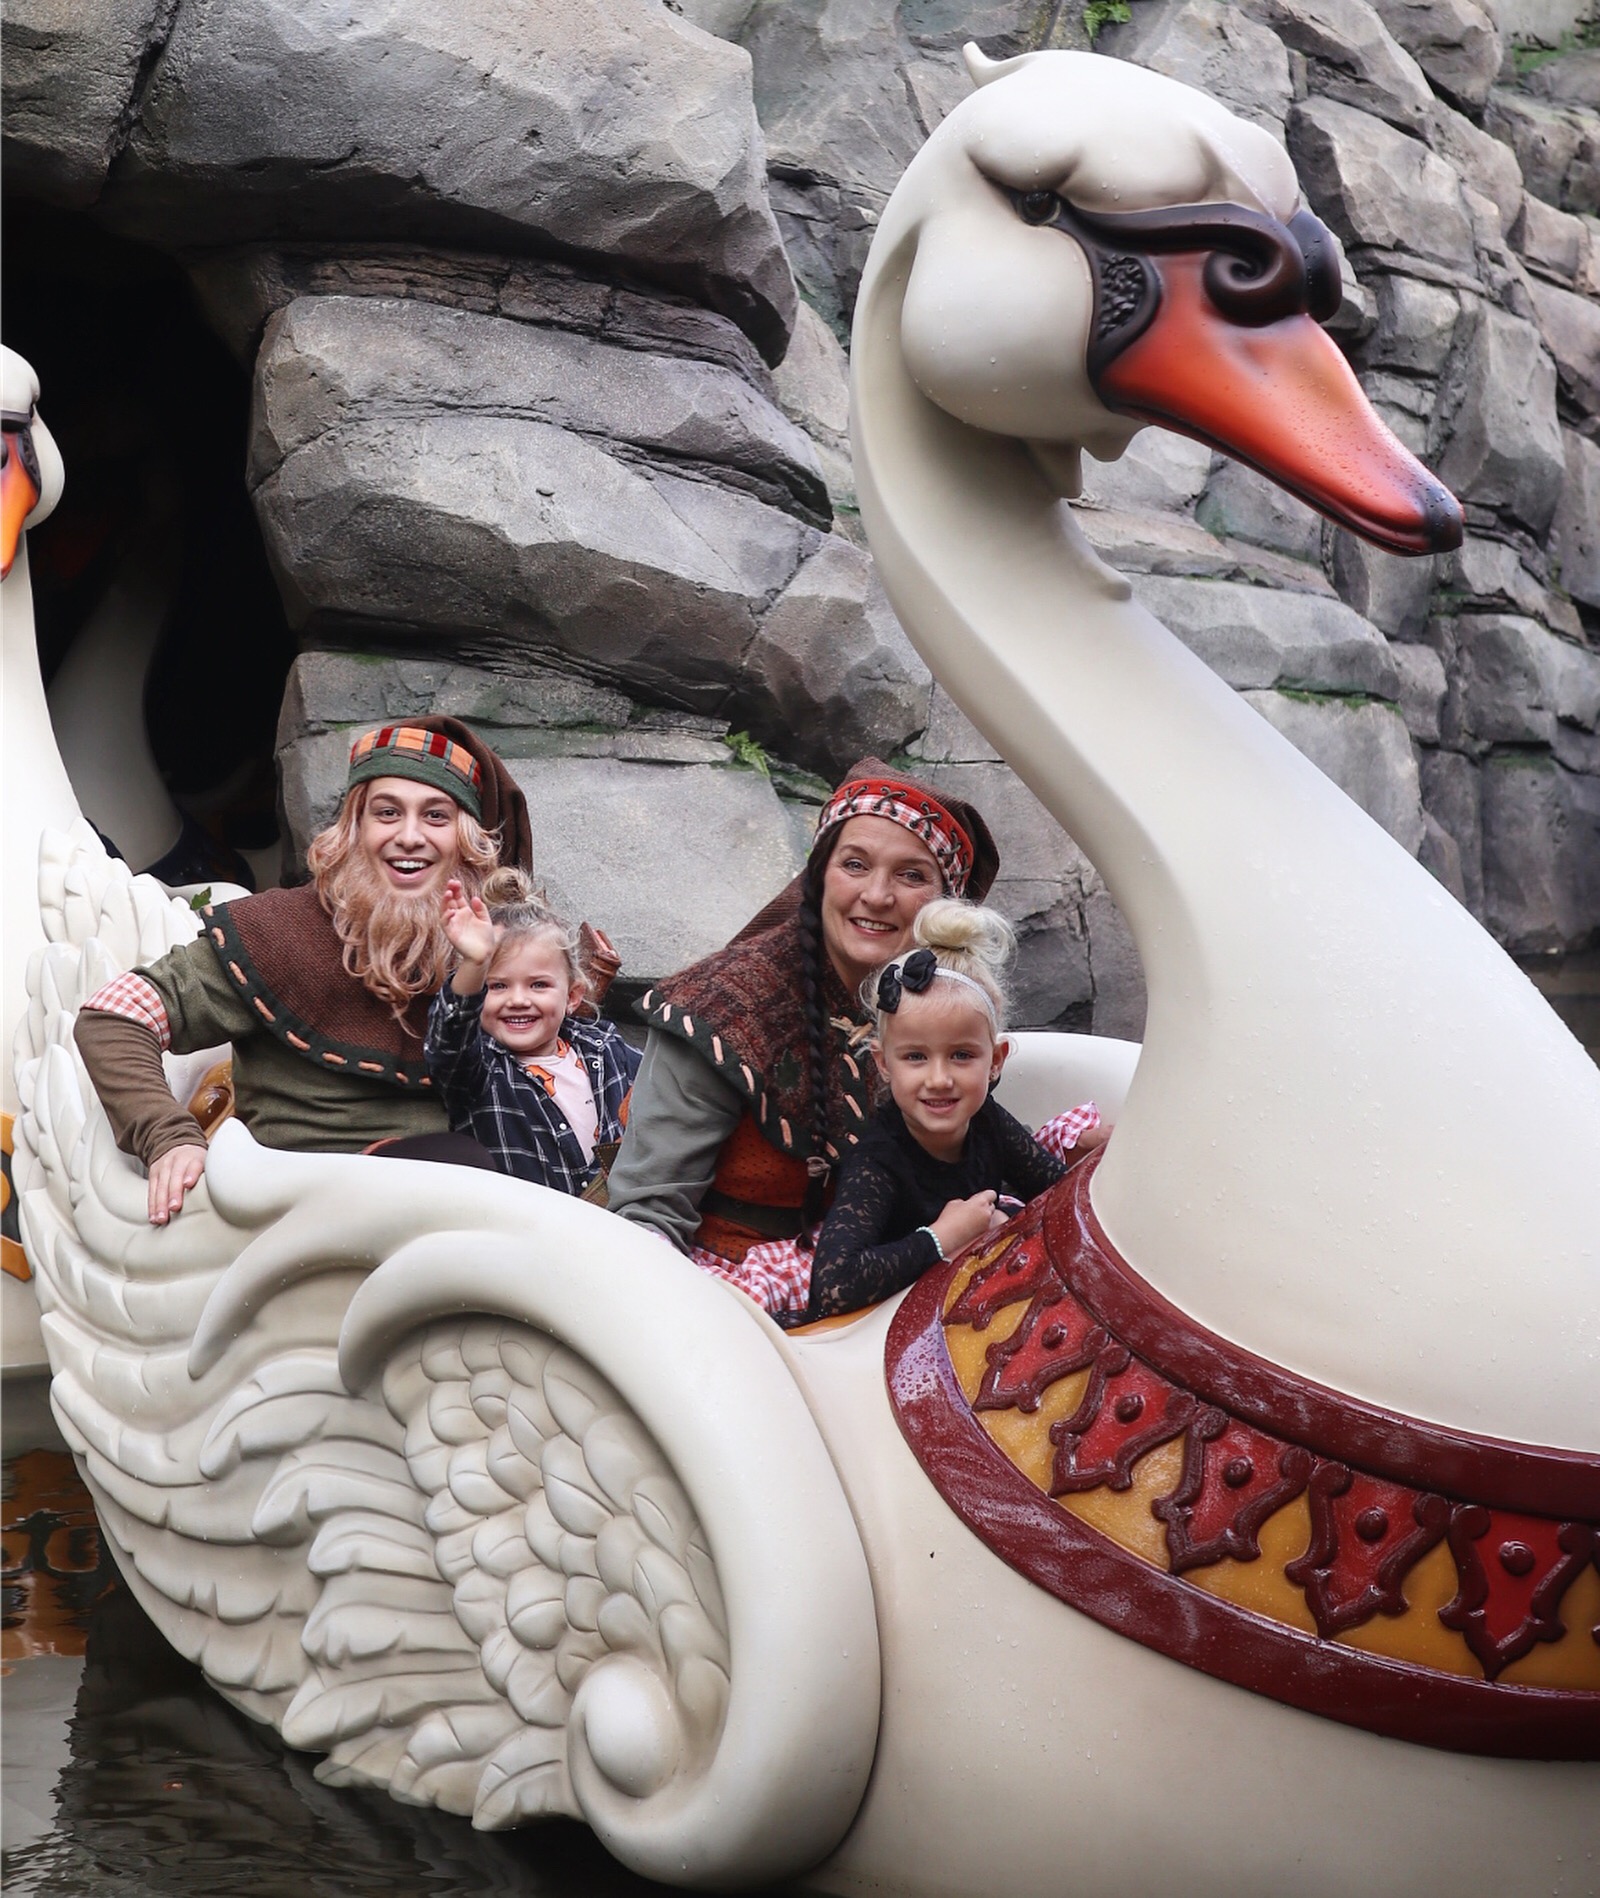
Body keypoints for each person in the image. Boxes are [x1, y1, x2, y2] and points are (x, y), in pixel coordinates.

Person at [75, 718, 534, 1225]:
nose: (410, 836)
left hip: (472, 1206)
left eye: (436, 816)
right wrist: (167, 1137)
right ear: (354, 829)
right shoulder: (277, 929)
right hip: (306, 1222)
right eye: (387, 813)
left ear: (466, 840)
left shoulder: (492, 948)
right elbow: (112, 1017)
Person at [606, 759, 1002, 1293]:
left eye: (911, 875)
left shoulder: (952, 1012)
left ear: (945, 903)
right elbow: (646, 1220)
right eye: (855, 865)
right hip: (724, 1293)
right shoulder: (722, 1008)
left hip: (892, 1279)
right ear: (818, 875)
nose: (877, 895)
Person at [799, 900, 1102, 1321]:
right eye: (915, 1057)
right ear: (884, 1064)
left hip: (966, 1305)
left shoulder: (986, 1120)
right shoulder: (878, 1160)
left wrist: (1096, 1164)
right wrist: (942, 1237)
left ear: (995, 1060)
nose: (939, 1079)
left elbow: (1054, 1190)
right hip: (882, 1325)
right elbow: (832, 1287)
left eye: (961, 1055)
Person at [425, 870, 640, 1193]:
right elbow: (449, 1037)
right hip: (519, 1220)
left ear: (572, 996)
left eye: (538, 985)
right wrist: (475, 963)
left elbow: (667, 1088)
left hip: (613, 1216)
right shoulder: (480, 1070)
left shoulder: (607, 1048)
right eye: (497, 986)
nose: (518, 1000)